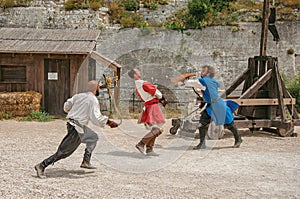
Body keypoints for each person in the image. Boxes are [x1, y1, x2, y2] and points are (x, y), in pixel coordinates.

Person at [34, 80, 118, 178]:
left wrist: (75, 112)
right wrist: (109, 122)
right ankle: (42, 165)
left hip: (74, 124)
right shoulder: (92, 100)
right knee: (64, 152)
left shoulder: (78, 96)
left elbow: (66, 107)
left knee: (93, 138)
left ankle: (86, 161)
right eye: (98, 87)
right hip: (77, 128)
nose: (99, 89)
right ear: (96, 89)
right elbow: (96, 117)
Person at [183, 65, 242, 149]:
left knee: (229, 124)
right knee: (202, 125)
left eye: (203, 71)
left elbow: (193, 83)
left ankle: (238, 139)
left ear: (208, 73)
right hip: (211, 106)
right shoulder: (210, 81)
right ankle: (202, 143)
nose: (201, 72)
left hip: (218, 106)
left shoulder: (204, 81)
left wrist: (184, 79)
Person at [128, 68, 167, 156]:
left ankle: (149, 149)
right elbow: (157, 93)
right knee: (157, 129)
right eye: (137, 71)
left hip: (150, 105)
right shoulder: (142, 83)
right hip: (152, 106)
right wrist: (161, 98)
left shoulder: (137, 85)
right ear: (134, 74)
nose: (139, 71)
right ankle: (141, 144)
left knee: (155, 128)